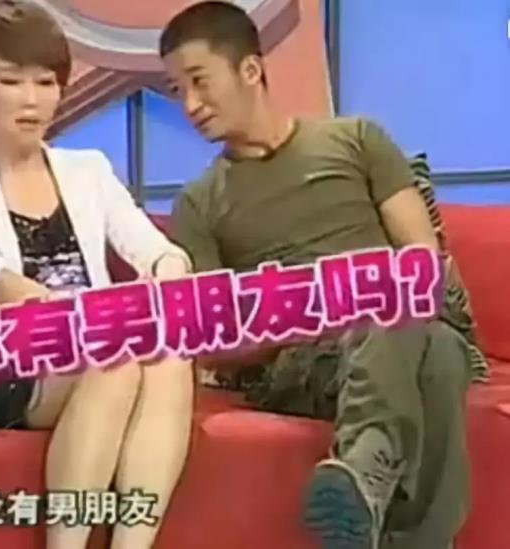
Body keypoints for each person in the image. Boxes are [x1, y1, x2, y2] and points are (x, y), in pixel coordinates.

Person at [158, 2, 487, 548]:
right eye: (177, 91)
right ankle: (374, 484)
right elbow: (216, 341)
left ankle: (363, 479)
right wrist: (313, 311)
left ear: (250, 68)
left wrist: (371, 299)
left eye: (199, 81)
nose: (190, 105)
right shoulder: (198, 203)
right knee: (429, 347)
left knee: (438, 349)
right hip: (303, 360)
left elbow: (420, 261)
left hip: (397, 324)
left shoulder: (357, 139)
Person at [0, 2, 194, 548]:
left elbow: (153, 248)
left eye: (45, 82)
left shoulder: (89, 171)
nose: (31, 99)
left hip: (94, 350)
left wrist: (168, 270)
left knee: (167, 356)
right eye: (11, 81)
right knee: (117, 355)